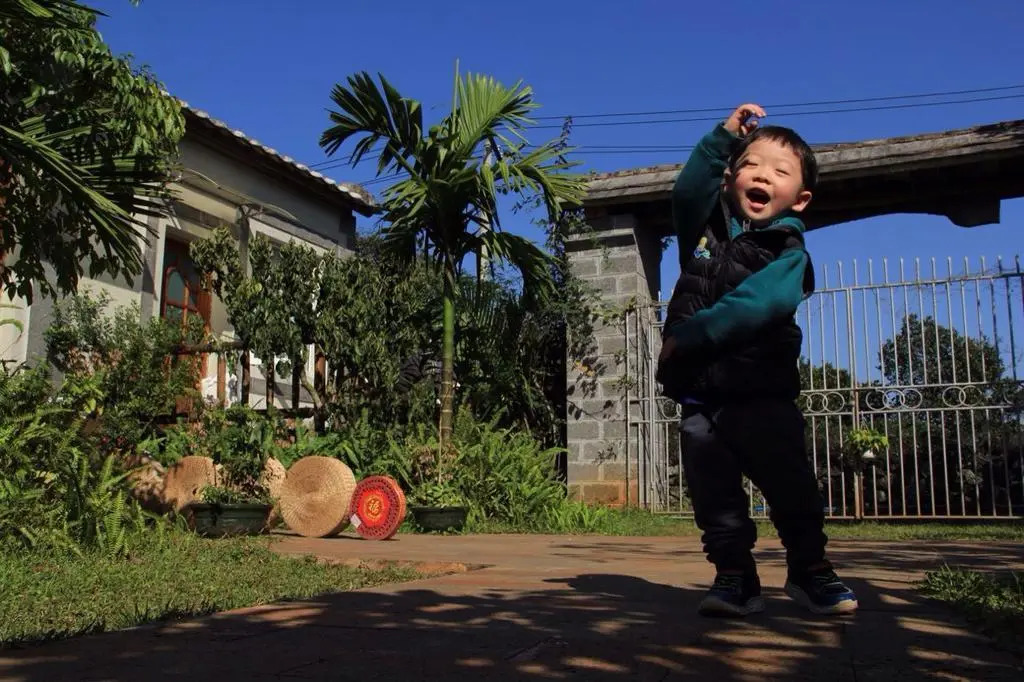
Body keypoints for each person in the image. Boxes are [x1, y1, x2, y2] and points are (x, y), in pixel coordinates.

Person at [656, 103, 858, 617]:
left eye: (780, 171)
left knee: (790, 488)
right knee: (714, 495)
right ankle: (735, 577)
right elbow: (687, 192)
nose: (763, 175)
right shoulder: (703, 237)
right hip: (702, 397)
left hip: (762, 392)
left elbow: (759, 304)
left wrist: (692, 334)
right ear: (730, 180)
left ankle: (810, 569)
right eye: (750, 164)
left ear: (801, 198)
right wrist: (722, 139)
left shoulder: (787, 252)